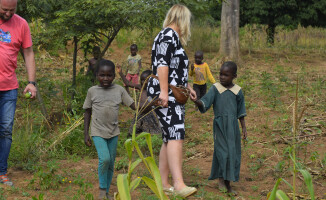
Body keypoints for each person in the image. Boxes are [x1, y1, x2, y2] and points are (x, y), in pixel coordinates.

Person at [146, 4, 197, 198]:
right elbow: (162, 65)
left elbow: (175, 69)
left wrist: (188, 87)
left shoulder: (170, 37)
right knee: (176, 135)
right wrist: (165, 93)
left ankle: (164, 183)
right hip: (165, 93)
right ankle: (178, 185)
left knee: (169, 137)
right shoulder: (168, 36)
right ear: (182, 19)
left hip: (173, 91)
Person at [191, 61, 247, 195]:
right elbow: (205, 102)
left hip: (233, 127)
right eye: (220, 74)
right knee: (223, 152)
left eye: (226, 75)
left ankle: (228, 182)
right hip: (220, 126)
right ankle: (221, 179)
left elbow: (241, 112)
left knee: (232, 152)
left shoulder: (237, 91)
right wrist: (196, 100)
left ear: (234, 76)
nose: (222, 77)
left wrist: (244, 128)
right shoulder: (215, 88)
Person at [83, 59, 136, 199]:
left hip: (113, 132)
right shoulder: (92, 91)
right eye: (102, 75)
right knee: (104, 159)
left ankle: (106, 192)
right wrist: (86, 134)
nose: (105, 78)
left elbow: (133, 106)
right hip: (97, 131)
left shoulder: (119, 90)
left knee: (111, 162)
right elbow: (87, 112)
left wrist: (151, 103)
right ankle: (102, 190)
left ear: (114, 75)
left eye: (109, 75)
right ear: (96, 75)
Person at [0, 0, 37, 187]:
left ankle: (1, 171)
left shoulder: (21, 23)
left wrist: (31, 82)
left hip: (9, 88)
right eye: (4, 10)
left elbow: (28, 53)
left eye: (11, 10)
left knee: (5, 130)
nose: (8, 14)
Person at [116, 66, 162, 136]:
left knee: (151, 133)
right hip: (139, 113)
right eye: (142, 80)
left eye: (146, 80)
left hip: (148, 113)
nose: (143, 82)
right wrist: (121, 73)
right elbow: (128, 83)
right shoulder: (140, 87)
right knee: (132, 133)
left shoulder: (154, 91)